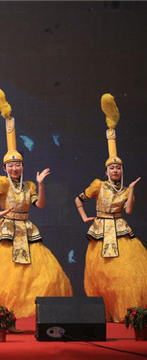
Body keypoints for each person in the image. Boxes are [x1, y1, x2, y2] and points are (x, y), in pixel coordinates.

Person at [0, 83, 72, 319]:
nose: (15, 168)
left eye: (18, 165)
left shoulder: (29, 185)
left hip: (26, 228)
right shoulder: (1, 183)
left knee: (34, 274)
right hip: (7, 229)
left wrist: (41, 184)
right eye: (11, 165)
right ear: (5, 167)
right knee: (3, 273)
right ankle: (3, 313)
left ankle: (18, 311)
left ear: (22, 167)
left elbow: (40, 205)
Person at [74, 93, 147, 322]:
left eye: (118, 169)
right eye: (112, 168)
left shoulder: (125, 190)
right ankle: (104, 312)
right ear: (106, 171)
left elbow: (129, 211)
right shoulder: (98, 185)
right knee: (101, 273)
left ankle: (126, 312)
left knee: (124, 272)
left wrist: (132, 191)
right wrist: (85, 216)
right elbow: (78, 200)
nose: (115, 171)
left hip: (119, 228)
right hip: (100, 230)